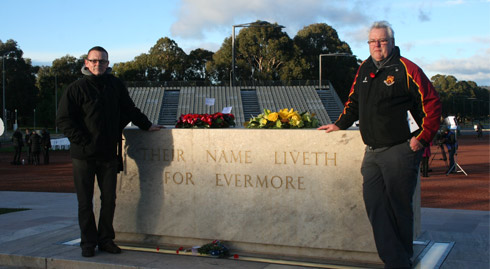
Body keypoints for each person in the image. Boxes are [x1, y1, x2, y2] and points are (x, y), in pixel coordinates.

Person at [318, 21, 442, 268]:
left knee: (399, 208)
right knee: (375, 205)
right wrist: (339, 124)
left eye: (382, 40)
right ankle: (395, 259)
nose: (377, 45)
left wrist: (423, 137)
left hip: (400, 150)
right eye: (372, 41)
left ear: (392, 42)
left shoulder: (407, 69)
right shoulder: (364, 68)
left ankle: (398, 261)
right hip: (372, 151)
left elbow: (432, 103)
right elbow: (353, 101)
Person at [57, 46, 162, 258]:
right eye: (94, 61)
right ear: (86, 63)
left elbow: (129, 108)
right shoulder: (76, 88)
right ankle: (88, 242)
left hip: (108, 154)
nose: (98, 64)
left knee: (109, 200)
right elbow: (63, 120)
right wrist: (83, 141)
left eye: (102, 61)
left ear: (108, 63)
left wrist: (146, 125)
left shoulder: (115, 84)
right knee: (85, 202)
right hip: (83, 155)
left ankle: (106, 239)